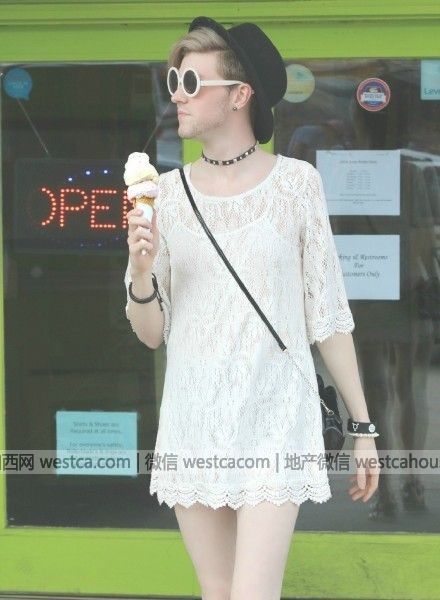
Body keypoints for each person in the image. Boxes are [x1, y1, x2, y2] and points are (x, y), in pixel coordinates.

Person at [124, 16, 380, 600]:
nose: (177, 95)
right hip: (194, 423)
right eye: (173, 81)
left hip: (274, 421)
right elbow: (151, 332)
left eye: (192, 82)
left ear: (239, 95)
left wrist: (363, 427)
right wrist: (140, 271)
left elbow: (328, 316)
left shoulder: (297, 185)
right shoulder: (164, 195)